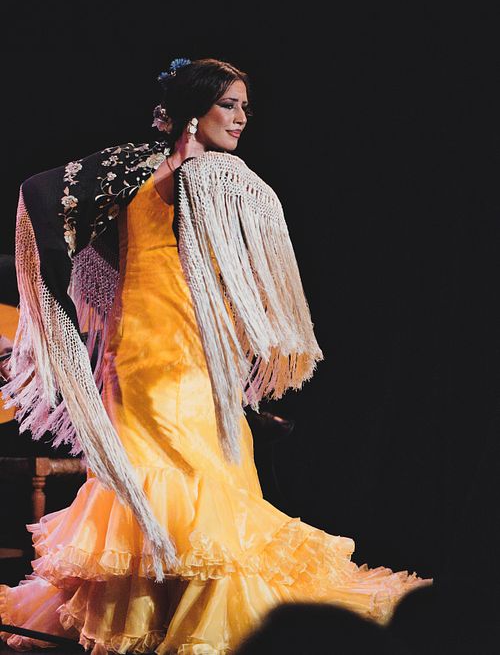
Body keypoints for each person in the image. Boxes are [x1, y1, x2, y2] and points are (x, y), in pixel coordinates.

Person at [0, 58, 431, 655]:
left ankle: (187, 617)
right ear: (193, 110)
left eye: (245, 107)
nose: (242, 117)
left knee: (208, 473)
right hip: (140, 353)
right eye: (230, 104)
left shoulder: (220, 177)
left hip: (194, 351)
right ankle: (153, 617)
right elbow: (40, 191)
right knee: (156, 477)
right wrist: (49, 283)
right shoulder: (140, 172)